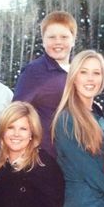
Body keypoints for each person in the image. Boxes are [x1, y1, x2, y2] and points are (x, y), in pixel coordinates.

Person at [52, 50, 104, 207]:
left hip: (103, 205)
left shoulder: (97, 117)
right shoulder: (67, 120)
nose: (90, 78)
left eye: (96, 73)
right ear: (73, 77)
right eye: (83, 72)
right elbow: (93, 174)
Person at [13, 10, 77, 157]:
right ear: (43, 40)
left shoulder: (78, 71)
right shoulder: (35, 71)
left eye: (64, 36)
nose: (58, 42)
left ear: (73, 40)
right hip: (44, 156)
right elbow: (16, 112)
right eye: (52, 37)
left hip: (72, 156)